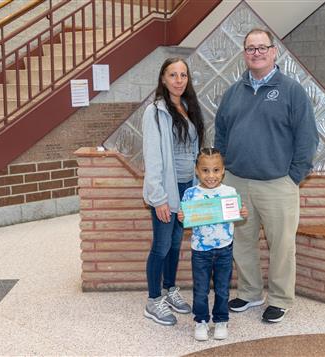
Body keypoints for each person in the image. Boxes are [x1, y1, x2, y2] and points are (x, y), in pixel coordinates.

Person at [214, 28, 319, 323]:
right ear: (244, 54)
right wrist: (222, 172)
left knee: (281, 245)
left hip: (278, 184)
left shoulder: (292, 91)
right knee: (242, 241)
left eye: (262, 47)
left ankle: (280, 298)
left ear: (274, 52)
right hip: (236, 182)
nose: (256, 53)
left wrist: (293, 176)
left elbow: (307, 137)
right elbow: (221, 133)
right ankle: (249, 293)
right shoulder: (233, 92)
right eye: (250, 48)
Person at [142, 57, 205, 326]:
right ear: (163, 79)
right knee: (161, 245)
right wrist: (158, 198)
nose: (179, 80)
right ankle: (153, 300)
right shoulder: (155, 112)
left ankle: (170, 289)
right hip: (166, 190)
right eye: (173, 75)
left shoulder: (189, 108)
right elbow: (153, 157)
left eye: (183, 75)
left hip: (187, 188)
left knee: (176, 244)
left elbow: (194, 153)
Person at [178, 148, 248, 341]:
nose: (211, 176)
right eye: (205, 170)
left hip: (225, 249)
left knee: (222, 288)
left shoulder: (230, 192)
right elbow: (186, 221)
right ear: (197, 171)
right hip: (200, 251)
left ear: (223, 170)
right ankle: (200, 321)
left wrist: (242, 214)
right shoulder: (191, 194)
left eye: (216, 170)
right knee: (200, 289)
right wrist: (182, 218)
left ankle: (221, 320)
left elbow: (238, 216)